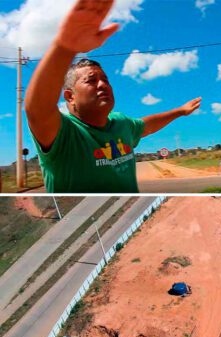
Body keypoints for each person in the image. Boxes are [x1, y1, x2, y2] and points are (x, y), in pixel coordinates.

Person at [25, 0, 201, 193]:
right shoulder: (64, 133)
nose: (102, 84)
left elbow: (148, 125)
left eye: (105, 80)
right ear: (70, 97)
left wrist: (181, 111)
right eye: (91, 80)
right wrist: (65, 47)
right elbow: (37, 109)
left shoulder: (121, 124)